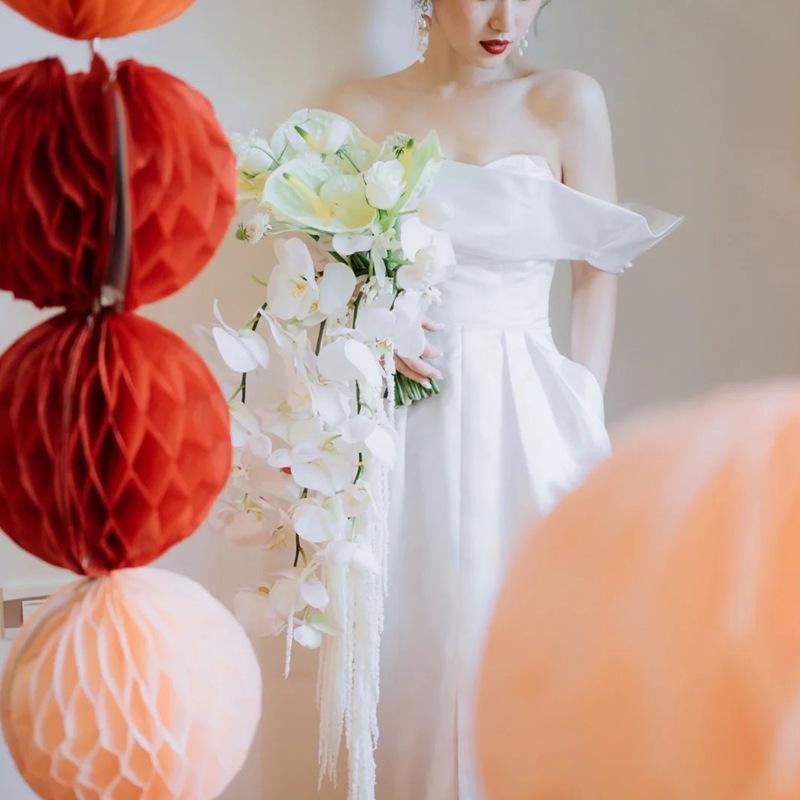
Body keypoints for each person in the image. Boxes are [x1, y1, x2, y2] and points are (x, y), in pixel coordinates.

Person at [327, 1, 683, 797]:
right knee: (412, 641)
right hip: (402, 412)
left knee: (525, 633)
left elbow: (598, 271)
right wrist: (373, 330)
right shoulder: (358, 108)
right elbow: (332, 276)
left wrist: (583, 403)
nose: (505, 16)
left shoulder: (565, 100)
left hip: (527, 407)